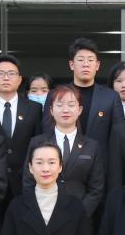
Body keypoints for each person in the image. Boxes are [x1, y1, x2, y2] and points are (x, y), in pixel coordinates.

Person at [23, 85, 105, 218]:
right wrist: (39, 212)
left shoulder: (92, 146)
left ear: (79, 110)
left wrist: (79, 214)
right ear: (51, 110)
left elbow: (96, 189)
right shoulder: (37, 143)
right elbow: (28, 182)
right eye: (59, 105)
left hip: (79, 216)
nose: (65, 110)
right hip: (43, 214)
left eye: (71, 105)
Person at [0, 54, 43, 206]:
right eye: (0, 73)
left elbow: (38, 145)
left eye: (11, 73)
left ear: (19, 79)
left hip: (23, 184)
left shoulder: (34, 109)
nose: (6, 78)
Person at [59, 38, 122, 153]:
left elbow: (118, 138)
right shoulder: (56, 95)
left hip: (99, 161)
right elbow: (48, 133)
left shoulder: (111, 97)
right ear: (71, 64)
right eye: (81, 60)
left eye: (90, 60)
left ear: (97, 65)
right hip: (64, 160)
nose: (86, 64)